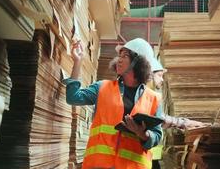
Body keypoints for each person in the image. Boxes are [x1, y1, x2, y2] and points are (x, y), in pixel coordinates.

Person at [64, 38, 163, 169]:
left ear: (139, 62)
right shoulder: (102, 87)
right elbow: (73, 98)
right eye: (119, 56)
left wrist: (142, 134)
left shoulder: (154, 98)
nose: (119, 60)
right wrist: (78, 61)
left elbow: (157, 136)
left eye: (125, 56)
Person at [148, 58, 205, 169]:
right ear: (149, 76)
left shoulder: (150, 96)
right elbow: (160, 119)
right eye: (159, 75)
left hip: (149, 157)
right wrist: (186, 123)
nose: (162, 80)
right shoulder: (146, 97)